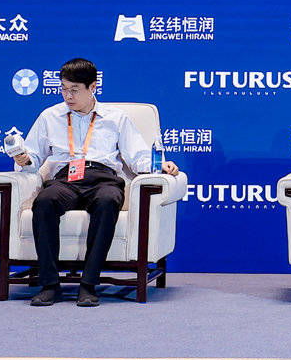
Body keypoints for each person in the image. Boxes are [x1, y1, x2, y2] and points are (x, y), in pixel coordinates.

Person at [12, 57, 179, 307]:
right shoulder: (50, 116)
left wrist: (159, 166)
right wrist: (24, 159)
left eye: (75, 90)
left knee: (108, 201)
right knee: (44, 202)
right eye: (64, 89)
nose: (68, 96)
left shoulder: (115, 117)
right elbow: (33, 157)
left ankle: (89, 284)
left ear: (93, 87)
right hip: (65, 179)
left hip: (103, 178)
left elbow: (137, 156)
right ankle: (50, 285)